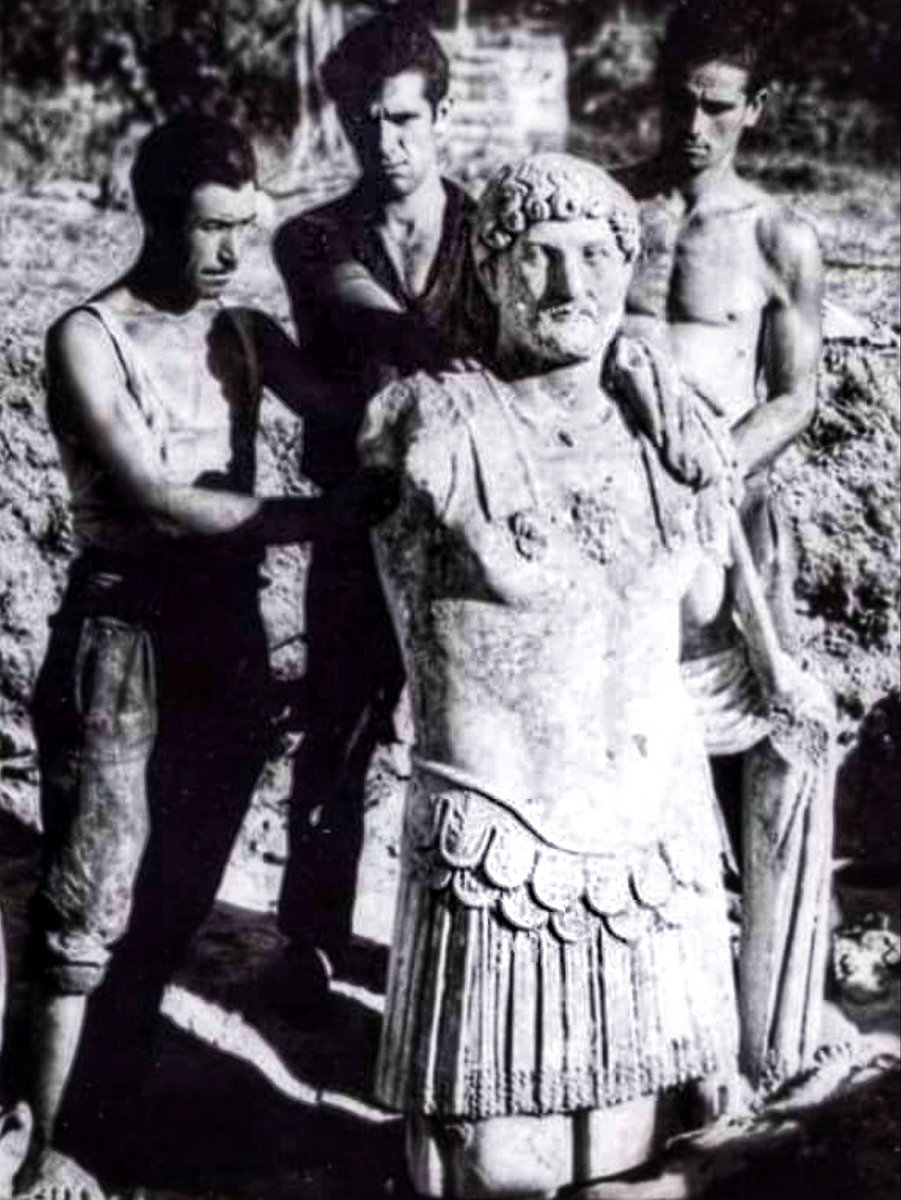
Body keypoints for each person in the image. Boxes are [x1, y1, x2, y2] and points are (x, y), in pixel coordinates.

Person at [13, 113, 395, 1200]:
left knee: (177, 899)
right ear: (155, 214)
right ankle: (37, 1146)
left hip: (223, 639)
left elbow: (344, 399)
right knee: (86, 907)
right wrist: (327, 520)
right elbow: (157, 498)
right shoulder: (86, 335)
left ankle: (109, 1117)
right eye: (213, 228)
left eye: (248, 227)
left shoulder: (240, 334)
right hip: (123, 636)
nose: (232, 252)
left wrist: (410, 335)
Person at [360, 152, 741, 1200]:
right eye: (537, 256)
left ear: (627, 269)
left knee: (623, 1156)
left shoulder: (665, 431)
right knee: (496, 1168)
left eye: (592, 256)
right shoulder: (430, 421)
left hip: (643, 853)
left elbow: (703, 613)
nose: (569, 287)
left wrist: (696, 455)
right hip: (500, 844)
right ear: (489, 271)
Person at [620, 0, 834, 1089]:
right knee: (629, 758)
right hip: (614, 533)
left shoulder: (775, 237)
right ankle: (648, 1005)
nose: (693, 126)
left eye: (716, 107)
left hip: (722, 527)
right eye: (678, 102)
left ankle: (765, 1015)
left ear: (756, 108)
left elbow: (794, 394)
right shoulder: (614, 211)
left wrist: (718, 469)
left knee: (749, 746)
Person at [271, 11, 482, 999]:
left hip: (469, 531)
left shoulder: (492, 231)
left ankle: (456, 959)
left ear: (443, 112)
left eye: (404, 121)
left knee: (468, 743)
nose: (386, 145)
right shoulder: (312, 237)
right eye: (365, 125)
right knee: (338, 736)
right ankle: (310, 942)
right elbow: (382, 323)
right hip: (357, 522)